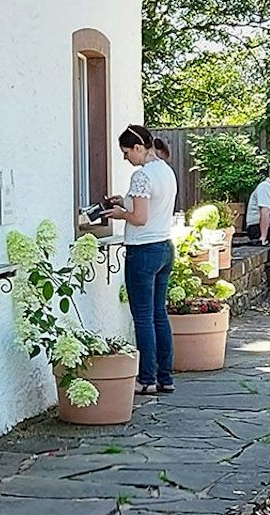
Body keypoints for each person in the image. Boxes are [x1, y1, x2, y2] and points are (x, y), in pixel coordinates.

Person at [103, 124, 179, 394]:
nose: (126, 158)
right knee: (159, 314)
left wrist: (119, 213)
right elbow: (150, 207)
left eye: (126, 152)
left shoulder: (142, 176)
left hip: (143, 250)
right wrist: (124, 201)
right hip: (164, 247)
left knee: (143, 317)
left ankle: (146, 379)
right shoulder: (166, 171)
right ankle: (165, 377)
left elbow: (140, 218)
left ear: (138, 147)